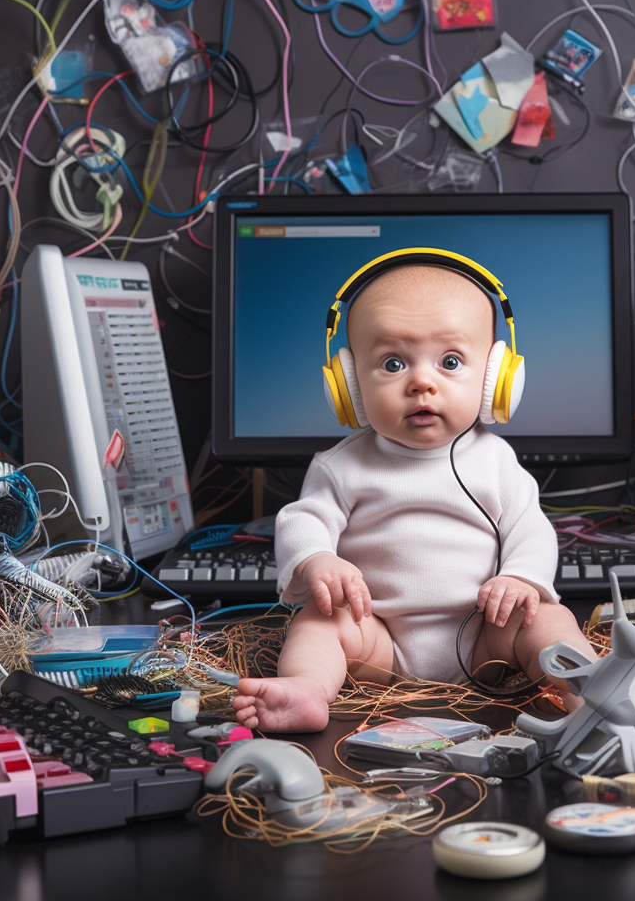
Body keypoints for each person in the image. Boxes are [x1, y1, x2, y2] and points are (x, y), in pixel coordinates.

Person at [232, 254, 598, 733]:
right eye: (392, 363)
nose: (422, 382)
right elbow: (304, 521)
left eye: (450, 362)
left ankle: (589, 691)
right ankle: (308, 688)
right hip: (377, 639)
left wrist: (521, 579)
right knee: (320, 622)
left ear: (494, 379)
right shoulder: (342, 465)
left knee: (548, 620)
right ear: (350, 386)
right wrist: (319, 560)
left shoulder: (495, 461)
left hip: (484, 635)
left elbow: (530, 528)